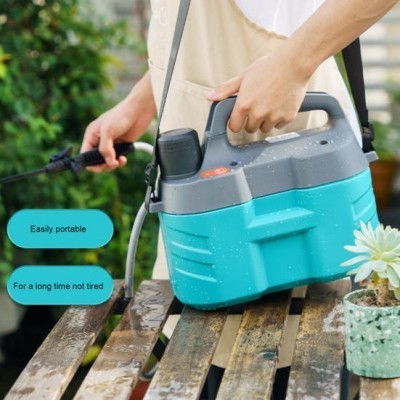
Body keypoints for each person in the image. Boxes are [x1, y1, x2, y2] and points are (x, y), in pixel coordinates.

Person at [81, 0, 398, 375]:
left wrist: (293, 64)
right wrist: (143, 101)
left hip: (291, 189)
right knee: (205, 357)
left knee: (295, 362)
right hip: (203, 216)